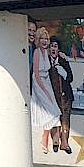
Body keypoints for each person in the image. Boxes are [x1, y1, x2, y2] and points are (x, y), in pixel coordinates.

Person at [28, 26, 63, 154]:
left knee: (54, 113)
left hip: (47, 82)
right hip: (39, 83)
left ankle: (46, 139)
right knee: (53, 112)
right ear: (38, 39)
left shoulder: (46, 52)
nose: (44, 41)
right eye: (42, 38)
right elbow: (36, 73)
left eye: (46, 39)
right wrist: (45, 91)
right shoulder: (37, 52)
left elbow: (55, 54)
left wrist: (61, 54)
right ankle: (45, 138)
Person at [49, 36, 75, 154]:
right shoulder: (45, 60)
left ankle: (65, 143)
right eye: (51, 46)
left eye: (55, 46)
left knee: (65, 119)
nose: (53, 49)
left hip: (65, 96)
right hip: (51, 96)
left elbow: (70, 77)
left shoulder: (63, 60)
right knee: (53, 119)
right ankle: (55, 141)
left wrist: (64, 73)